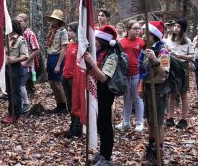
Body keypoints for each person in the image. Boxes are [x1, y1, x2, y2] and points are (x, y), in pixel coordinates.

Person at [85, 25, 119, 165]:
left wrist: (92, 63)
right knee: (99, 123)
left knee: (105, 124)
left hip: (106, 93)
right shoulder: (99, 52)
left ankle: (107, 157)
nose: (96, 42)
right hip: (97, 92)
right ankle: (102, 153)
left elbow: (104, 77)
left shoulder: (112, 56)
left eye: (98, 40)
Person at [138, 21, 170, 164]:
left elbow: (164, 74)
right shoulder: (145, 50)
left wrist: (155, 60)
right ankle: (151, 146)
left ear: (154, 36)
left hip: (158, 89)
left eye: (146, 33)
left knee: (158, 121)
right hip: (147, 87)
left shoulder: (163, 51)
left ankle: (159, 149)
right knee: (150, 120)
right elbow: (142, 71)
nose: (143, 36)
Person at [116, 20, 145, 132]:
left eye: (138, 28)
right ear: (128, 29)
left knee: (137, 98)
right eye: (135, 28)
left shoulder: (141, 42)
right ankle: (126, 122)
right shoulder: (122, 42)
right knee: (126, 98)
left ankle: (139, 122)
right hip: (124, 74)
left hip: (136, 74)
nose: (137, 31)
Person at [165, 19, 194, 129]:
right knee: (172, 93)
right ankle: (170, 118)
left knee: (183, 93)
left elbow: (191, 56)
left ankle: (183, 119)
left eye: (178, 27)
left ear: (183, 29)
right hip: (172, 68)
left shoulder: (187, 41)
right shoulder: (168, 40)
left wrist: (180, 56)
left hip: (183, 68)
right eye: (175, 26)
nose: (176, 28)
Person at [1, 19, 29, 124]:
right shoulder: (7, 39)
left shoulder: (21, 40)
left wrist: (13, 60)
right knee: (9, 91)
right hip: (7, 68)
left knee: (15, 92)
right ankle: (10, 112)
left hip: (15, 68)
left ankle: (16, 114)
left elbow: (25, 56)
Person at [44, 9, 68, 114]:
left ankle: (64, 106)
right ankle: (58, 104)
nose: (52, 21)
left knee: (58, 83)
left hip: (58, 57)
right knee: (52, 83)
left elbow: (64, 48)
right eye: (52, 19)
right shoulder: (51, 31)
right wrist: (46, 60)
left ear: (59, 21)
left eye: (54, 19)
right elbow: (48, 47)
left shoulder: (63, 32)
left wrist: (58, 64)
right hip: (50, 57)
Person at [17, 13, 41, 112]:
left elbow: (36, 50)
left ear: (26, 22)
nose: (19, 24)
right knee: (18, 85)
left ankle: (26, 103)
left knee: (21, 85)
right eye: (17, 22)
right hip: (17, 63)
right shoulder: (18, 34)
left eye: (21, 22)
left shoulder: (30, 34)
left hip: (26, 65)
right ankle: (21, 103)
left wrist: (26, 62)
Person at [62, 22, 82, 139]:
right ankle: (72, 125)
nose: (69, 32)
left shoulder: (81, 46)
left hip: (75, 79)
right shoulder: (70, 43)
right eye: (68, 30)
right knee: (69, 103)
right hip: (66, 77)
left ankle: (77, 129)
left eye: (71, 30)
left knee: (76, 104)